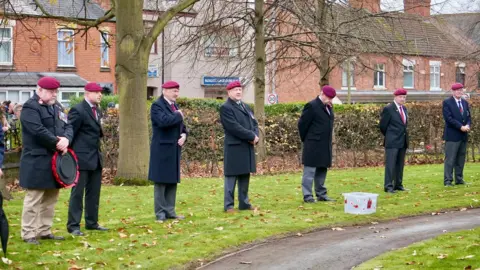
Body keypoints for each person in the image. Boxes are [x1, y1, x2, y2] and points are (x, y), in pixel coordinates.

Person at [20, 76, 73, 245]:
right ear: (40, 90)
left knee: (51, 197)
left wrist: (66, 139)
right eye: (51, 92)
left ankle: (44, 230)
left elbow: (68, 125)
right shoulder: (30, 107)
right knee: (34, 197)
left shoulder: (57, 106)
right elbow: (37, 130)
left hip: (54, 160)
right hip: (36, 160)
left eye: (56, 92)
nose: (54, 95)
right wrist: (57, 142)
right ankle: (28, 232)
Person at [67, 82, 108, 236]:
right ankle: (73, 226)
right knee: (77, 193)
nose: (100, 95)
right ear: (87, 93)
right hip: (81, 158)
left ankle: (92, 222)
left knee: (94, 192)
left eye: (100, 92)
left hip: (96, 157)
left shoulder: (97, 109)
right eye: (96, 92)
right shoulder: (78, 110)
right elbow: (71, 132)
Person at [148, 81, 187, 223]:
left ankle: (170, 211)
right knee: (161, 182)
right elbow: (163, 122)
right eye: (173, 91)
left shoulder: (174, 106)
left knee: (172, 181)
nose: (176, 93)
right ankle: (160, 213)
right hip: (162, 149)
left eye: (177, 91)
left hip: (174, 149)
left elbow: (182, 126)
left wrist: (184, 135)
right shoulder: (157, 106)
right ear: (164, 91)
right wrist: (178, 115)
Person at [220, 81, 258, 213]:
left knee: (244, 176)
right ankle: (229, 205)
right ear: (229, 92)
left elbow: (254, 123)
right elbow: (233, 127)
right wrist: (251, 136)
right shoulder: (226, 108)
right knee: (231, 177)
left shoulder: (246, 107)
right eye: (235, 90)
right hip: (234, 147)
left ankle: (244, 203)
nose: (238, 92)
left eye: (240, 90)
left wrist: (255, 135)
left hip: (247, 146)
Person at [298, 85, 336, 203]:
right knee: (309, 171)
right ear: (322, 94)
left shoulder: (329, 107)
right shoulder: (312, 106)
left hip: (324, 144)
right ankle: (308, 195)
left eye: (331, 98)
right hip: (313, 144)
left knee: (322, 169)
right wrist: (307, 139)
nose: (330, 100)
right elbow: (302, 125)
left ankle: (321, 194)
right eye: (328, 97)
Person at [379, 89, 409, 193]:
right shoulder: (389, 108)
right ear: (395, 97)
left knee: (400, 165)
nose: (402, 99)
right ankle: (388, 186)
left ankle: (398, 185)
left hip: (403, 141)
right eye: (401, 97)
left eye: (404, 97)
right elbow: (382, 125)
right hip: (392, 141)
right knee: (391, 165)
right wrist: (390, 136)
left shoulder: (404, 109)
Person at [443, 83, 471, 186]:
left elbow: (468, 117)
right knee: (450, 159)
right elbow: (449, 119)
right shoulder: (447, 103)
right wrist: (461, 127)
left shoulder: (465, 103)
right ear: (453, 91)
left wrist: (467, 125)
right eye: (457, 90)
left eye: (460, 90)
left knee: (461, 158)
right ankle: (448, 181)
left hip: (463, 135)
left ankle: (459, 179)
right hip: (452, 135)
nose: (459, 92)